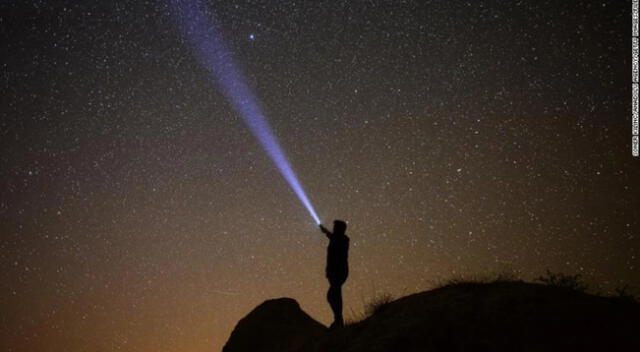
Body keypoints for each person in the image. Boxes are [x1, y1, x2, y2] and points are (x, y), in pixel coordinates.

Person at [319, 220, 349, 329]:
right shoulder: (338, 238)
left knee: (333, 295)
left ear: (340, 229)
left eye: (335, 227)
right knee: (334, 295)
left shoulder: (343, 239)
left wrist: (326, 232)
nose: (334, 228)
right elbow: (332, 237)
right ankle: (338, 320)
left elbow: (335, 239)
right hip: (335, 272)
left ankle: (338, 320)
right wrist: (325, 231)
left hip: (338, 272)